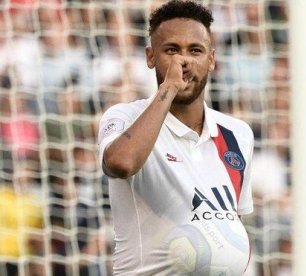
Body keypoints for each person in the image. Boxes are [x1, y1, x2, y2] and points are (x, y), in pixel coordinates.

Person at [97, 1, 254, 275]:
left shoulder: (237, 134)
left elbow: (231, 224)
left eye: (195, 50)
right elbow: (120, 163)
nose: (184, 62)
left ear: (212, 59)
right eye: (171, 50)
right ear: (150, 57)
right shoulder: (124, 117)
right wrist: (169, 87)